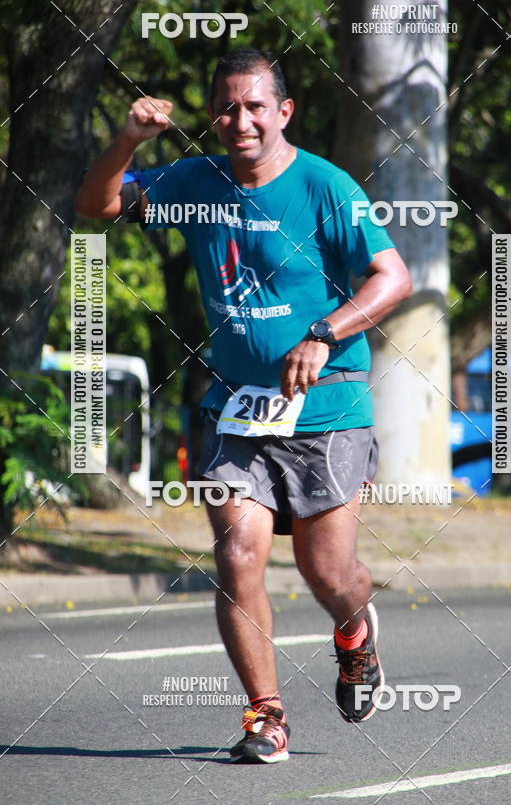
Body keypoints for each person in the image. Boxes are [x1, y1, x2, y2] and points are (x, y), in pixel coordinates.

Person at [76, 48, 412, 764]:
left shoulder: (326, 187)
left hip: (327, 408)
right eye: (228, 107)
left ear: (283, 111)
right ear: (213, 116)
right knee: (237, 554)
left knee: (330, 574)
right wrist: (129, 140)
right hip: (236, 408)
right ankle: (266, 717)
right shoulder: (196, 181)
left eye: (256, 106)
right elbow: (95, 204)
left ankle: (354, 633)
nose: (241, 120)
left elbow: (394, 277)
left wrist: (325, 333)